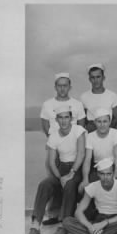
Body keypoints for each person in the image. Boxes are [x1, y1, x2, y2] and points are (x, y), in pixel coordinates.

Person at [25, 105, 86, 234]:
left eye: (66, 117)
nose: (64, 121)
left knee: (70, 185)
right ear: (56, 120)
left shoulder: (79, 130)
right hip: (61, 169)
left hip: (77, 168)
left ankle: (64, 225)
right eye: (60, 117)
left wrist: (70, 174)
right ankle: (35, 225)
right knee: (44, 184)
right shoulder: (53, 136)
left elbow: (81, 154)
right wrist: (60, 178)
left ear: (71, 118)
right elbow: (52, 162)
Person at [40, 72, 85, 225]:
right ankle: (54, 214)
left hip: (73, 150)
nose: (62, 88)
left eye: (65, 85)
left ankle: (66, 217)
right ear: (55, 87)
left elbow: (81, 125)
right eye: (59, 85)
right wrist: (57, 141)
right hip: (55, 148)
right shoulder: (47, 104)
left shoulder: (77, 104)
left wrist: (70, 140)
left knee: (70, 182)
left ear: (69, 87)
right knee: (54, 180)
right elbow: (46, 126)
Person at [63, 158, 117, 234]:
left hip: (115, 220)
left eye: (108, 174)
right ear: (98, 174)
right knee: (67, 221)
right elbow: (78, 212)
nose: (105, 177)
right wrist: (89, 226)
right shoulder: (92, 187)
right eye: (102, 174)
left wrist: (105, 223)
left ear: (113, 173)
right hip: (100, 218)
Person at [79, 108, 117, 195]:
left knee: (114, 189)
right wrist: (85, 179)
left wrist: (114, 178)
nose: (102, 124)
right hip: (97, 168)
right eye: (99, 121)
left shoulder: (116, 134)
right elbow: (87, 160)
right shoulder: (90, 136)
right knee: (86, 189)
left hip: (113, 168)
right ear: (94, 122)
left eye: (105, 121)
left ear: (110, 122)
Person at [80, 63, 117, 132]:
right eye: (93, 77)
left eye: (98, 77)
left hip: (108, 129)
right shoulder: (84, 96)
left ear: (103, 78)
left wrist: (106, 130)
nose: (96, 80)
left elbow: (116, 118)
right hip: (91, 130)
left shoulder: (113, 96)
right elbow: (83, 118)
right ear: (89, 79)